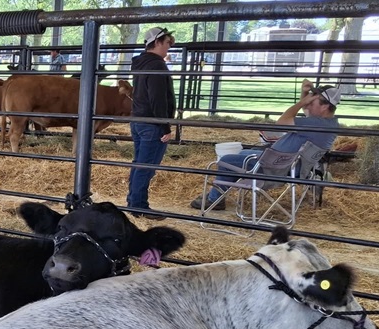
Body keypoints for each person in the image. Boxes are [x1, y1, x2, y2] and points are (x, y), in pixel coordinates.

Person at [190, 79, 340, 210]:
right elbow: (306, 115)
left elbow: (281, 123)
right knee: (241, 154)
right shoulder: (329, 124)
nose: (307, 106)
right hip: (290, 165)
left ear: (324, 106)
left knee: (226, 160)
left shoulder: (316, 124)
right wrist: (305, 95)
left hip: (276, 166)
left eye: (311, 103)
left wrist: (301, 101)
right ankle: (218, 194)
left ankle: (214, 199)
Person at [126, 26, 175, 217]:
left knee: (139, 163)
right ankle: (138, 206)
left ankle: (134, 202)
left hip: (138, 120)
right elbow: (157, 98)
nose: (168, 48)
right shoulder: (156, 65)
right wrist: (164, 125)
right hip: (151, 123)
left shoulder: (140, 62)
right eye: (167, 44)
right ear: (157, 42)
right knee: (146, 166)